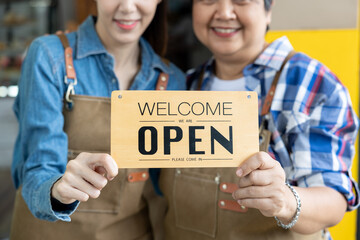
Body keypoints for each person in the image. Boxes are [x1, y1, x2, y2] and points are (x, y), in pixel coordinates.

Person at [159, 0, 359, 239]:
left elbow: (333, 201)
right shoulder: (184, 87)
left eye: (241, 0)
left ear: (268, 10)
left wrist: (285, 200)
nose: (223, 13)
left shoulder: (312, 83)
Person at [10, 0, 185, 239]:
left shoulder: (173, 81)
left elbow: (164, 190)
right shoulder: (49, 56)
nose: (127, 7)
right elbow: (35, 169)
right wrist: (59, 188)